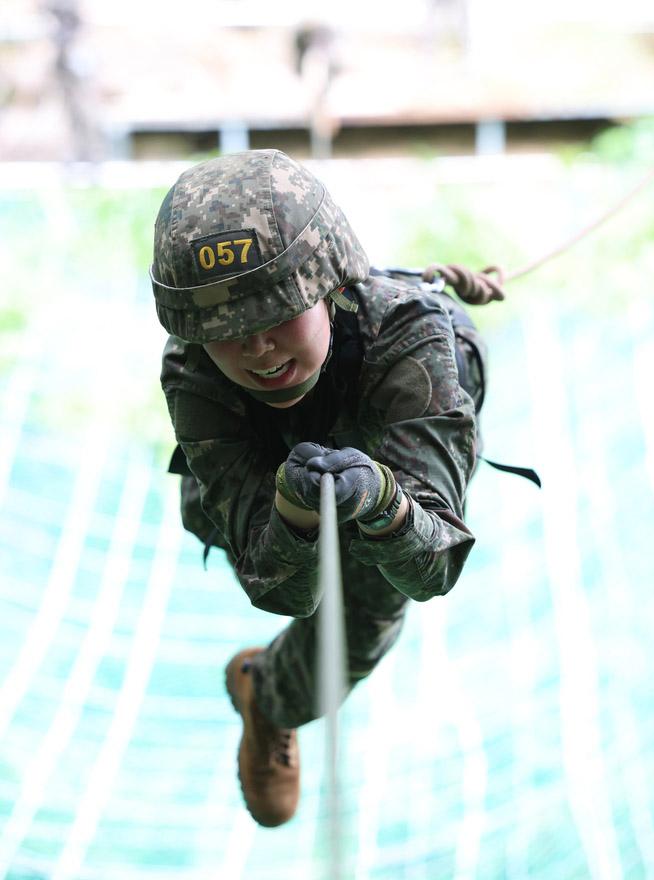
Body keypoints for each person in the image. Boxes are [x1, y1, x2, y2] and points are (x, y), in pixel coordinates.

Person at [150, 149, 501, 828]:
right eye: (226, 333)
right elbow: (278, 589)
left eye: (276, 314)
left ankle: (268, 699)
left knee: (365, 618)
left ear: (328, 285)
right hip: (261, 497)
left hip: (396, 488)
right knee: (238, 526)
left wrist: (381, 501)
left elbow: (431, 569)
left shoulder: (415, 342)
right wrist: (291, 515)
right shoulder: (194, 370)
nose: (255, 349)